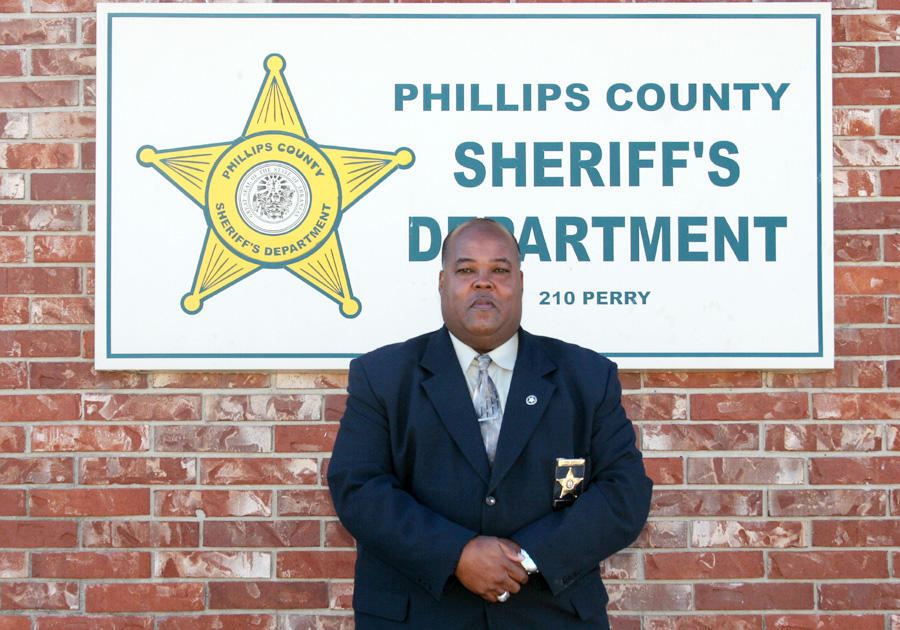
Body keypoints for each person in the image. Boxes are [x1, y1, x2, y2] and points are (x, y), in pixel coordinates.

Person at [327, 218, 653, 629]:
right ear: (443, 282)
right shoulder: (383, 376)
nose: (483, 283)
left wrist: (525, 559)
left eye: (499, 270)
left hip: (551, 616)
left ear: (519, 281)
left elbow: (624, 493)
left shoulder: (587, 376)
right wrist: (456, 553)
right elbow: (358, 487)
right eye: (466, 270)